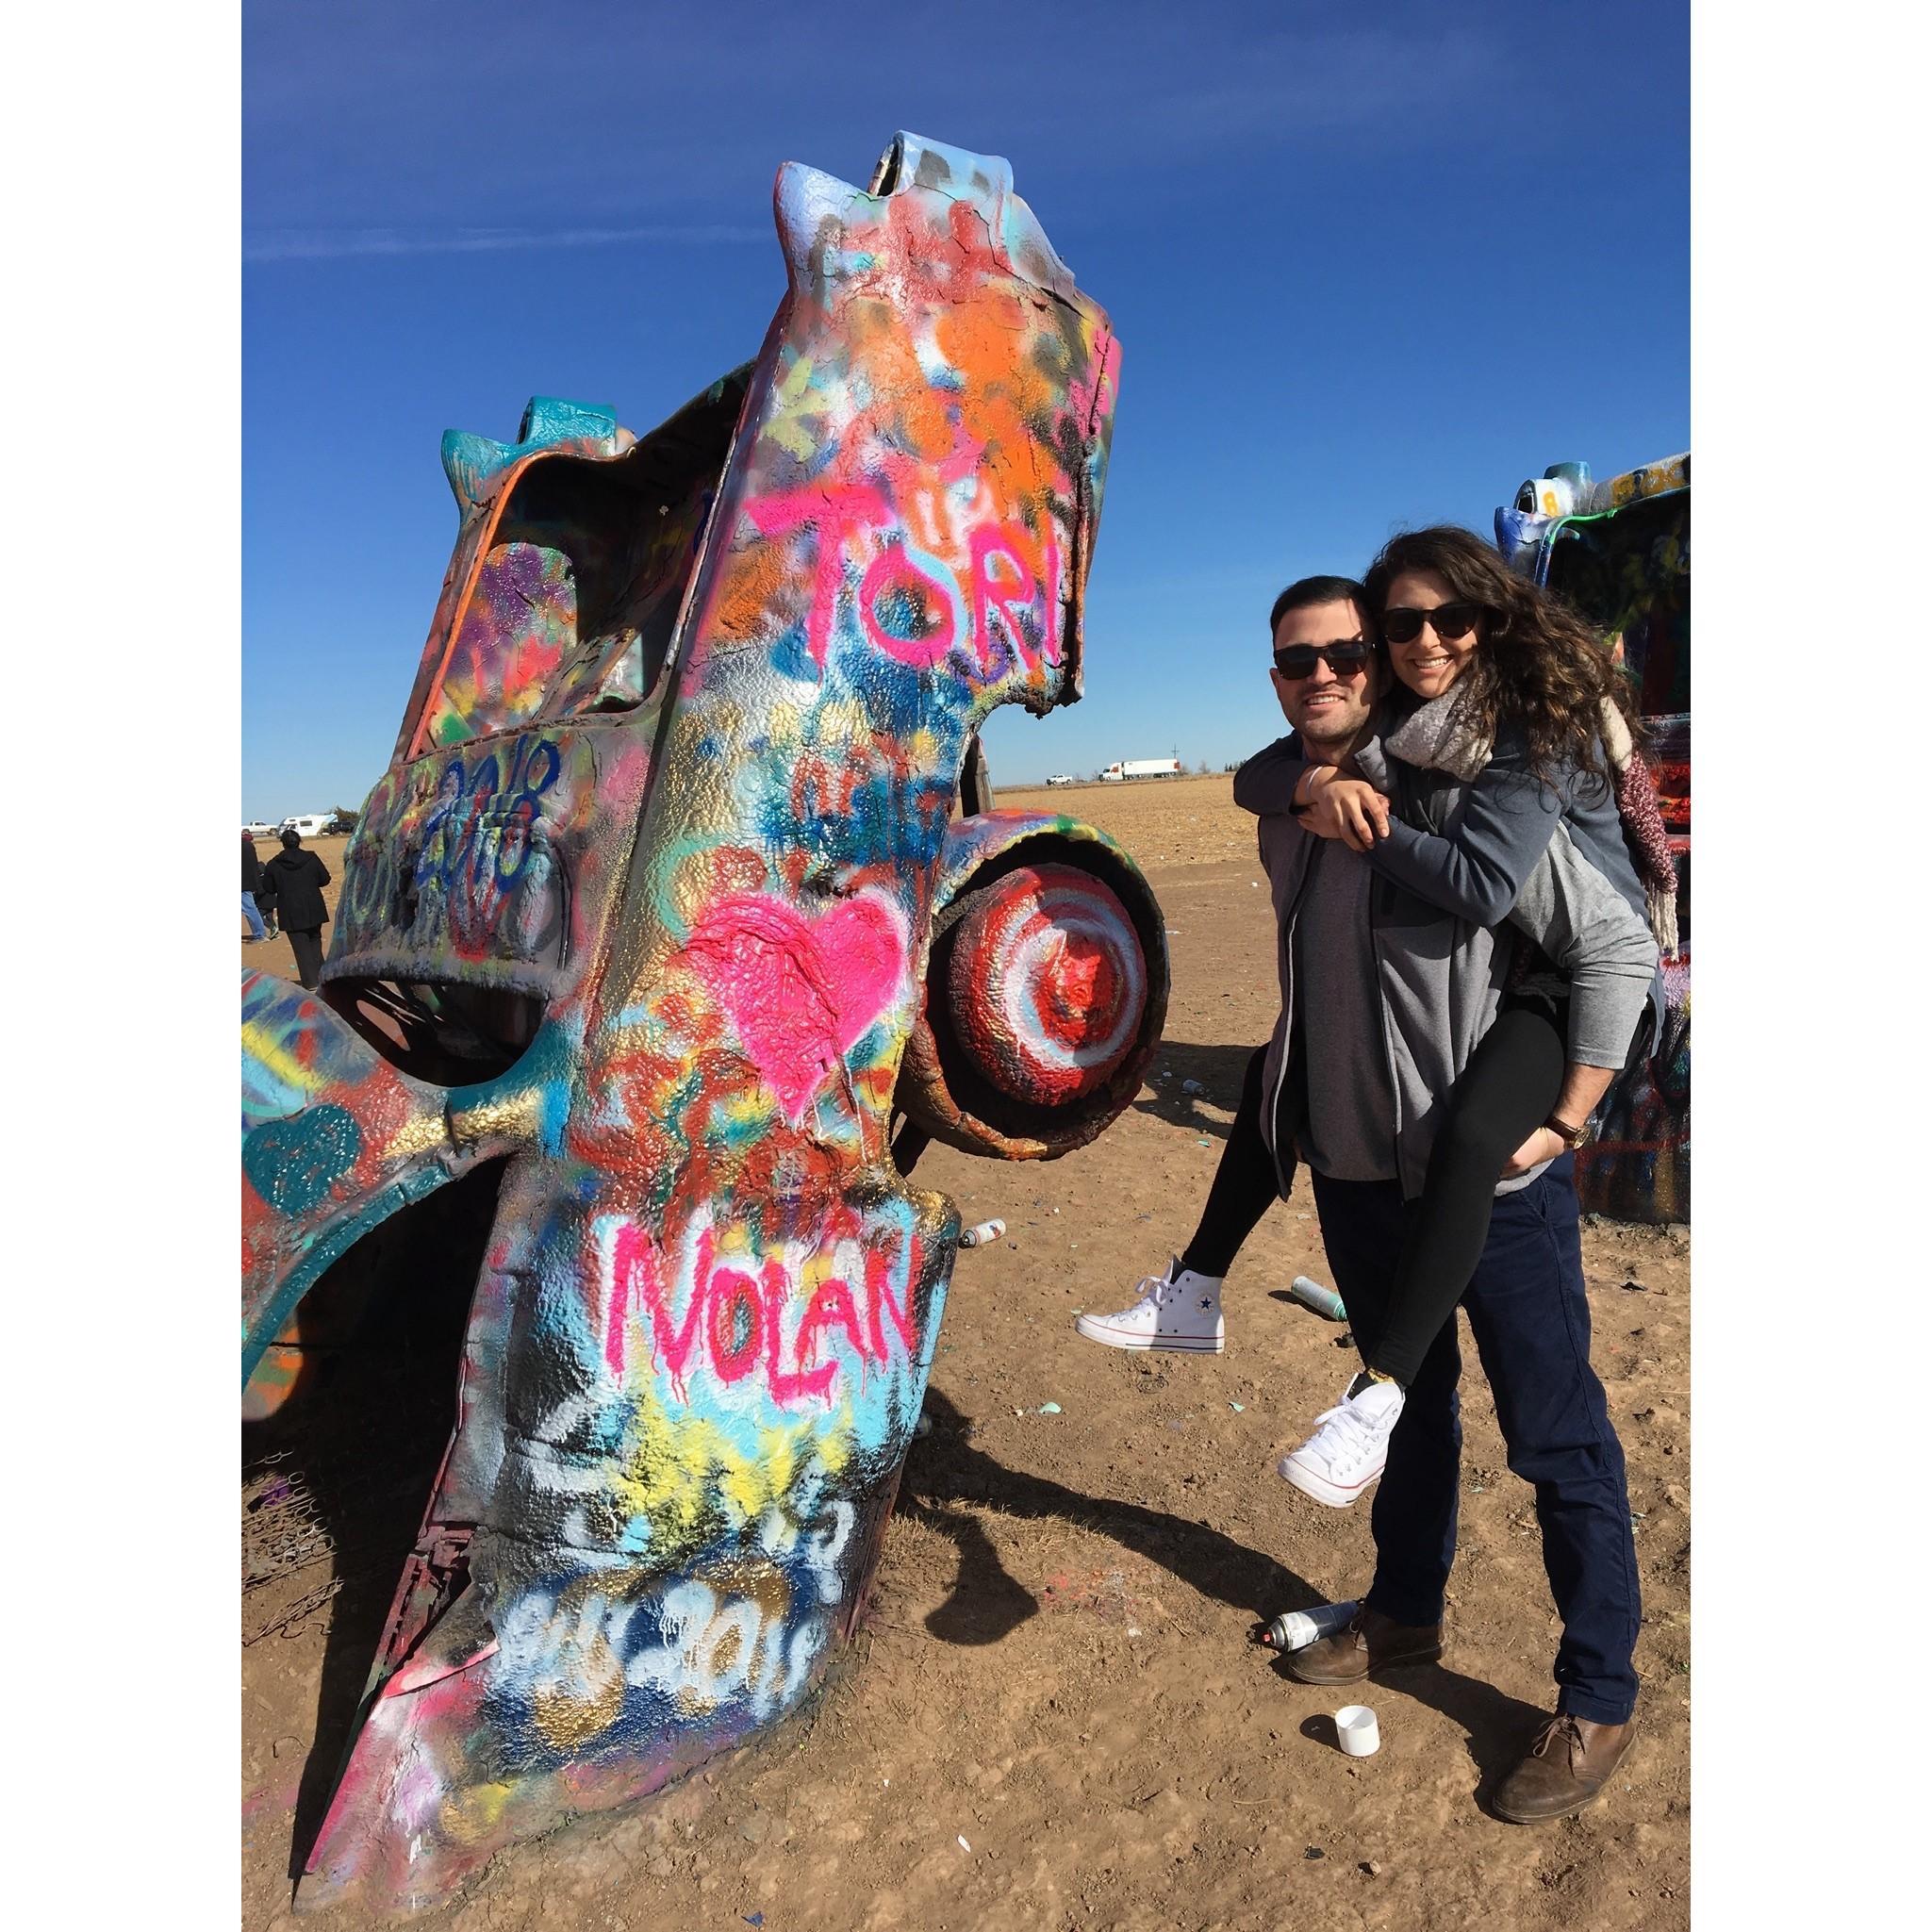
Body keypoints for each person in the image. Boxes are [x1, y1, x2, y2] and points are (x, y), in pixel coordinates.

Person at [1078, 565, 1649, 1821]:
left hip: (1484, 1181)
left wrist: (1564, 1116)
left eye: (1349, 653)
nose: (1326, 674)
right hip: (1352, 1167)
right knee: (1413, 1409)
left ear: (1384, 667)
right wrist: (1302, 783)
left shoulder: (1456, 801)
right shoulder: (1287, 798)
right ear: (1275, 682)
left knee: (1554, 1434)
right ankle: (1402, 1616)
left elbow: (1604, 938)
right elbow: (1246, 781)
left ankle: (1598, 1694)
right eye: (1298, 662)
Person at [262, 827, 332, 989]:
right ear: (299, 841)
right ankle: (322, 978)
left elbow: (269, 888)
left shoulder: (273, 865)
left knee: (301, 948)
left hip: (290, 910)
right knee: (315, 943)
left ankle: (311, 982)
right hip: (313, 906)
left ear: (283, 844)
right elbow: (325, 879)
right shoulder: (312, 858)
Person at [241, 831, 270, 943]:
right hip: (247, 881)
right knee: (249, 908)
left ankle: (260, 934)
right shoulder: (247, 845)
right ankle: (259, 933)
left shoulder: (243, 846)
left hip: (242, 883)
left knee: (249, 908)